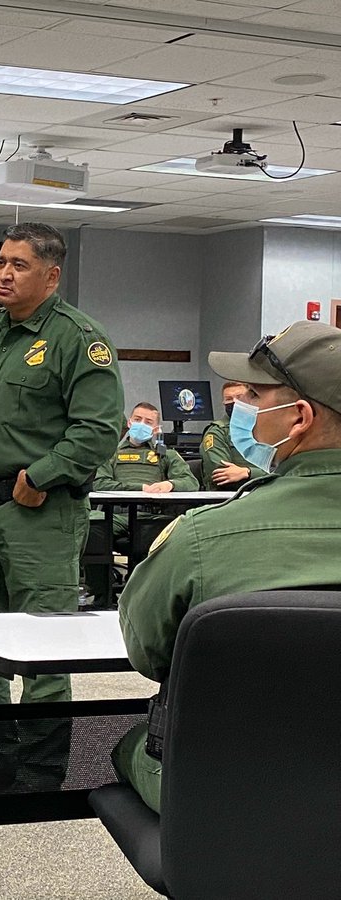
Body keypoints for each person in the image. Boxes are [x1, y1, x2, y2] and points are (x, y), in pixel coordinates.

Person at [0, 222, 123, 797]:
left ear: (51, 275)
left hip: (39, 512)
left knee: (43, 648)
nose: (4, 274)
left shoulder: (77, 337)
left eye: (19, 265)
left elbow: (98, 429)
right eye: (0, 263)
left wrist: (44, 474)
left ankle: (39, 773)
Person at [113, 321, 341, 814]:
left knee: (121, 745)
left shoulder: (200, 538)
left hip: (231, 788)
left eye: (255, 396)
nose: (242, 411)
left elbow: (145, 651)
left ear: (298, 417)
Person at [85, 402, 199, 607]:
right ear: (129, 422)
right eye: (137, 419)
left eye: (148, 422)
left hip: (150, 516)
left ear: (156, 429)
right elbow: (100, 482)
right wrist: (141, 487)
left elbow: (191, 483)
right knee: (90, 526)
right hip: (116, 515)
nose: (141, 424)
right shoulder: (109, 453)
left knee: (169, 532)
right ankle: (102, 596)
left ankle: (144, 598)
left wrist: (170, 484)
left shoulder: (167, 454)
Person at [199, 380, 265, 488]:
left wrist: (247, 472)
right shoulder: (217, 432)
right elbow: (222, 474)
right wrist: (265, 475)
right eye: (228, 399)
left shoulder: (268, 427)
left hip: (271, 493)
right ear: (223, 403)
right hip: (233, 497)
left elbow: (287, 470)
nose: (234, 402)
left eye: (239, 397)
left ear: (252, 399)